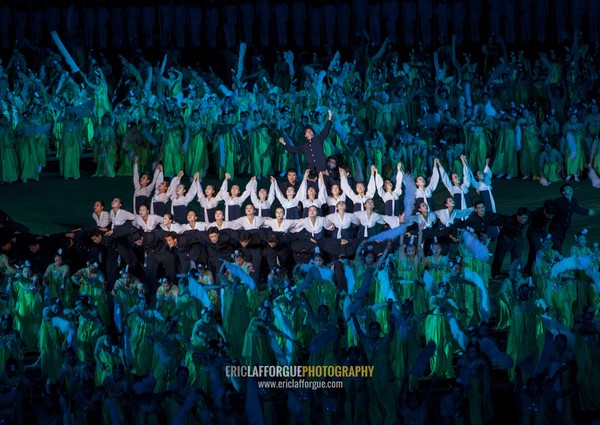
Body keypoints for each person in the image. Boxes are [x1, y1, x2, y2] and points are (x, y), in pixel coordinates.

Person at [548, 183, 596, 253]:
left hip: (564, 228)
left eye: (570, 187)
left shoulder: (573, 200)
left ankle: (553, 260)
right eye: (567, 188)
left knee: (559, 244)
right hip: (555, 228)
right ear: (563, 192)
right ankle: (555, 260)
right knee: (557, 245)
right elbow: (550, 209)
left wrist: (587, 211)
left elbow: (577, 209)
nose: (570, 189)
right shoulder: (559, 201)